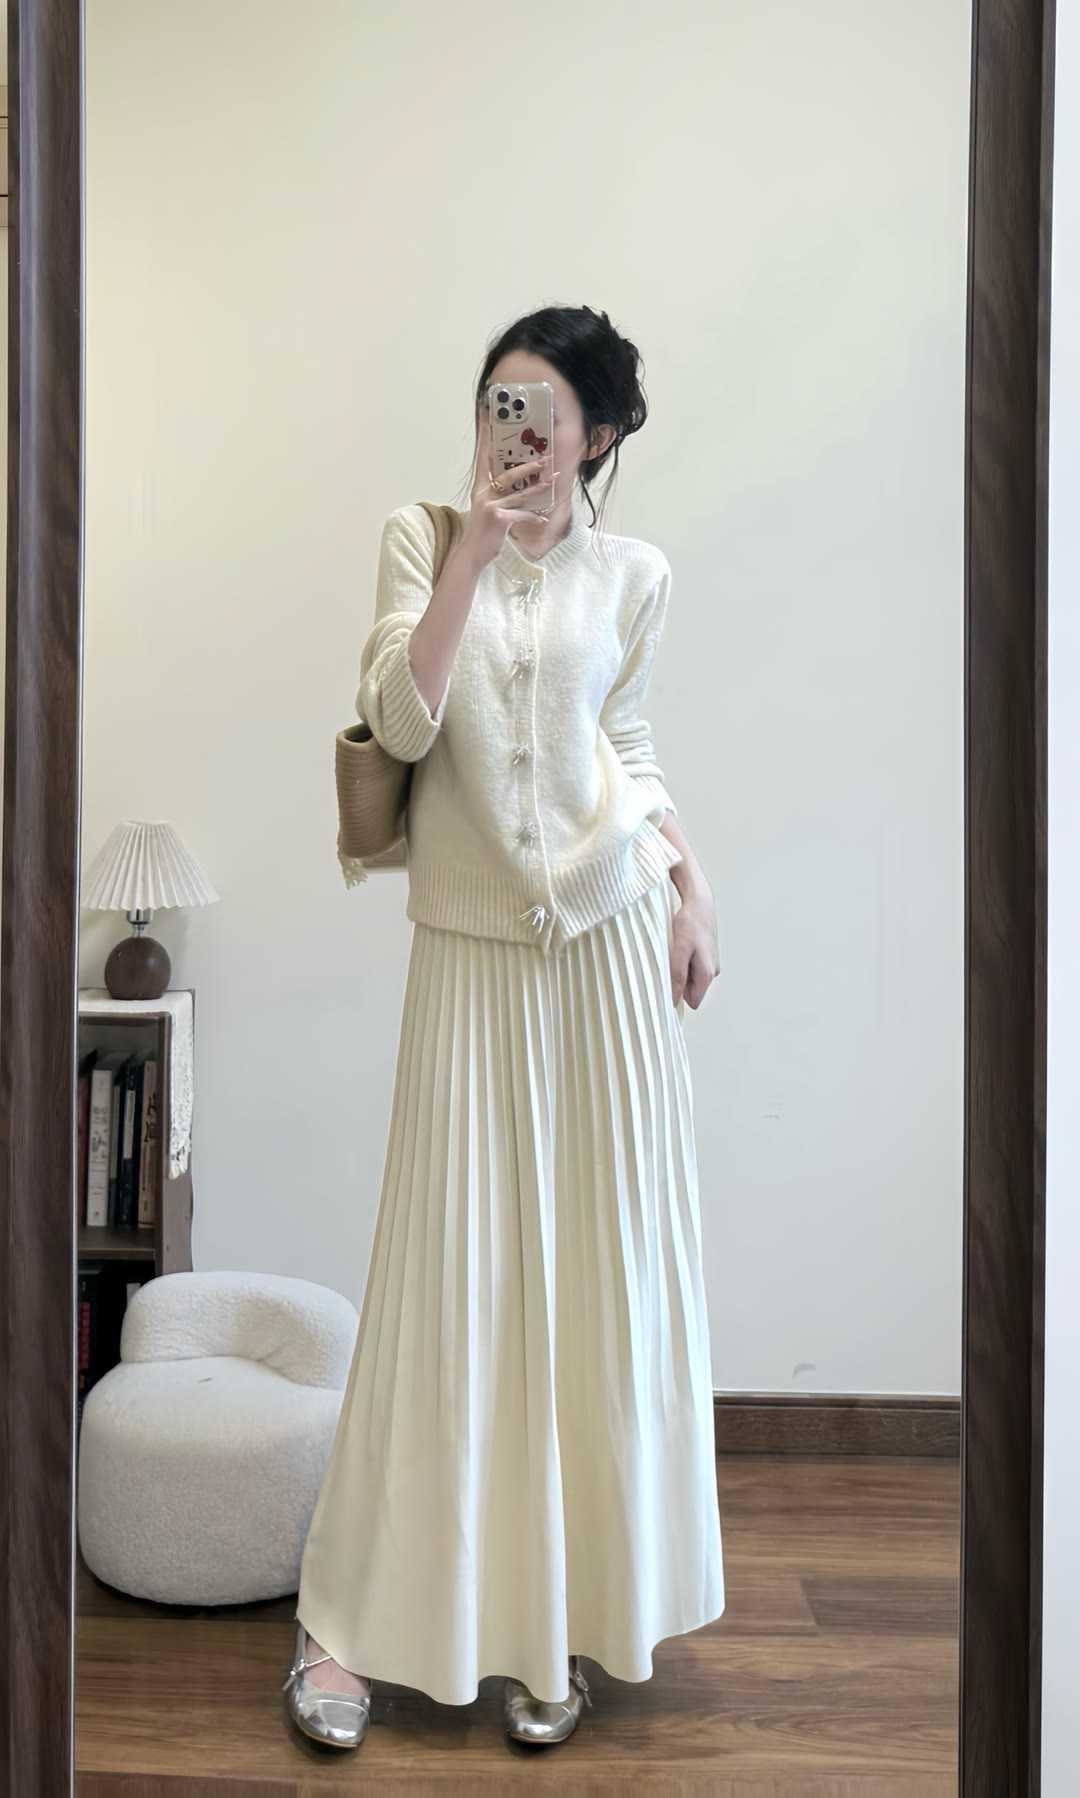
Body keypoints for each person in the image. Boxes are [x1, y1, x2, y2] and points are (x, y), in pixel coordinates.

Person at [283, 305, 725, 1751]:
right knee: (448, 1278)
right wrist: (472, 554)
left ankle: (557, 1624)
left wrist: (692, 887)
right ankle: (348, 1621)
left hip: (605, 949)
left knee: (592, 1284)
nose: (513, 431)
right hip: (469, 959)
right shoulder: (423, 544)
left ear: (600, 433)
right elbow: (401, 725)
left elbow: (629, 746)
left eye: (541, 409)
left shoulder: (635, 575)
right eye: (496, 403)